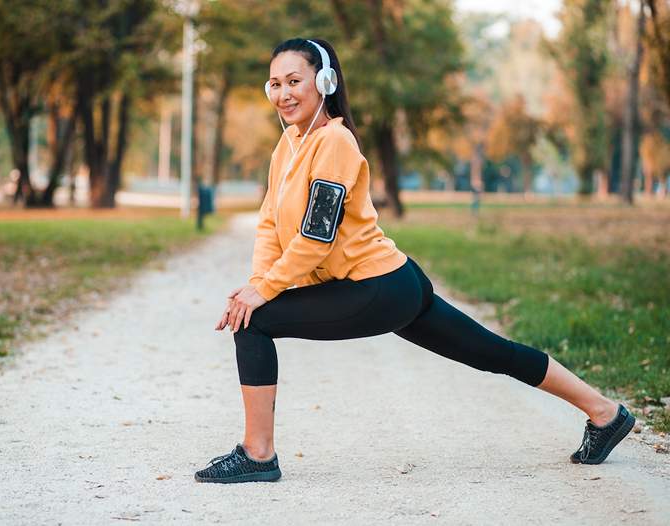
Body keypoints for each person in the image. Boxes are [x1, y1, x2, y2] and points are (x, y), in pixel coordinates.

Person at [194, 38, 635, 484]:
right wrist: (257, 282)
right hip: (396, 282)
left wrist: (264, 293)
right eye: (274, 83)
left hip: (377, 288)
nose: (284, 93)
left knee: (253, 322)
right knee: (490, 352)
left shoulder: (335, 142)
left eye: (294, 81)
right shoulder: (288, 144)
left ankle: (258, 454)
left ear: (325, 82)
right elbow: (270, 224)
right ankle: (605, 413)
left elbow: (316, 237)